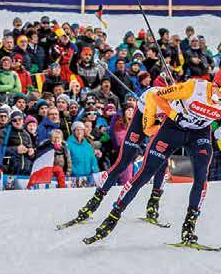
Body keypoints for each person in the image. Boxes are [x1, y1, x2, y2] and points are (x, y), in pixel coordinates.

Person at [83, 69, 221, 247]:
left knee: (201, 175)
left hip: (199, 134)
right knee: (146, 172)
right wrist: (174, 114)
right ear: (214, 86)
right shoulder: (193, 87)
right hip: (173, 129)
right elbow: (158, 96)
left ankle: (189, 227)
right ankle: (113, 216)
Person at [59, 85, 168, 228]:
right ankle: (94, 202)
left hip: (158, 126)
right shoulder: (150, 96)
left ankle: (153, 204)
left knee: (162, 161)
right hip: (140, 124)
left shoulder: (178, 105)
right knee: (122, 164)